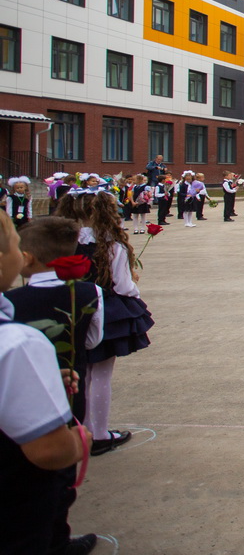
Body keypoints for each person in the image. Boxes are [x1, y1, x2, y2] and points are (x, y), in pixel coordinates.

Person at [0, 210, 98, 555]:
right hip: (16, 486)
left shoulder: (12, 307)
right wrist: (78, 441)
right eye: (12, 242)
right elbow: (49, 450)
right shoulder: (16, 343)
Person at [76, 191, 153, 456]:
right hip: (105, 310)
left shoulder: (69, 242)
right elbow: (121, 285)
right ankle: (99, 434)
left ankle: (82, 430)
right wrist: (134, 286)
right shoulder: (112, 244)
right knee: (101, 374)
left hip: (76, 309)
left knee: (81, 372)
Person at [8, 216, 104, 423]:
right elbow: (92, 340)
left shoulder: (9, 300)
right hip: (72, 381)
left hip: (25, 388)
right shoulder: (91, 292)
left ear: (27, 257)